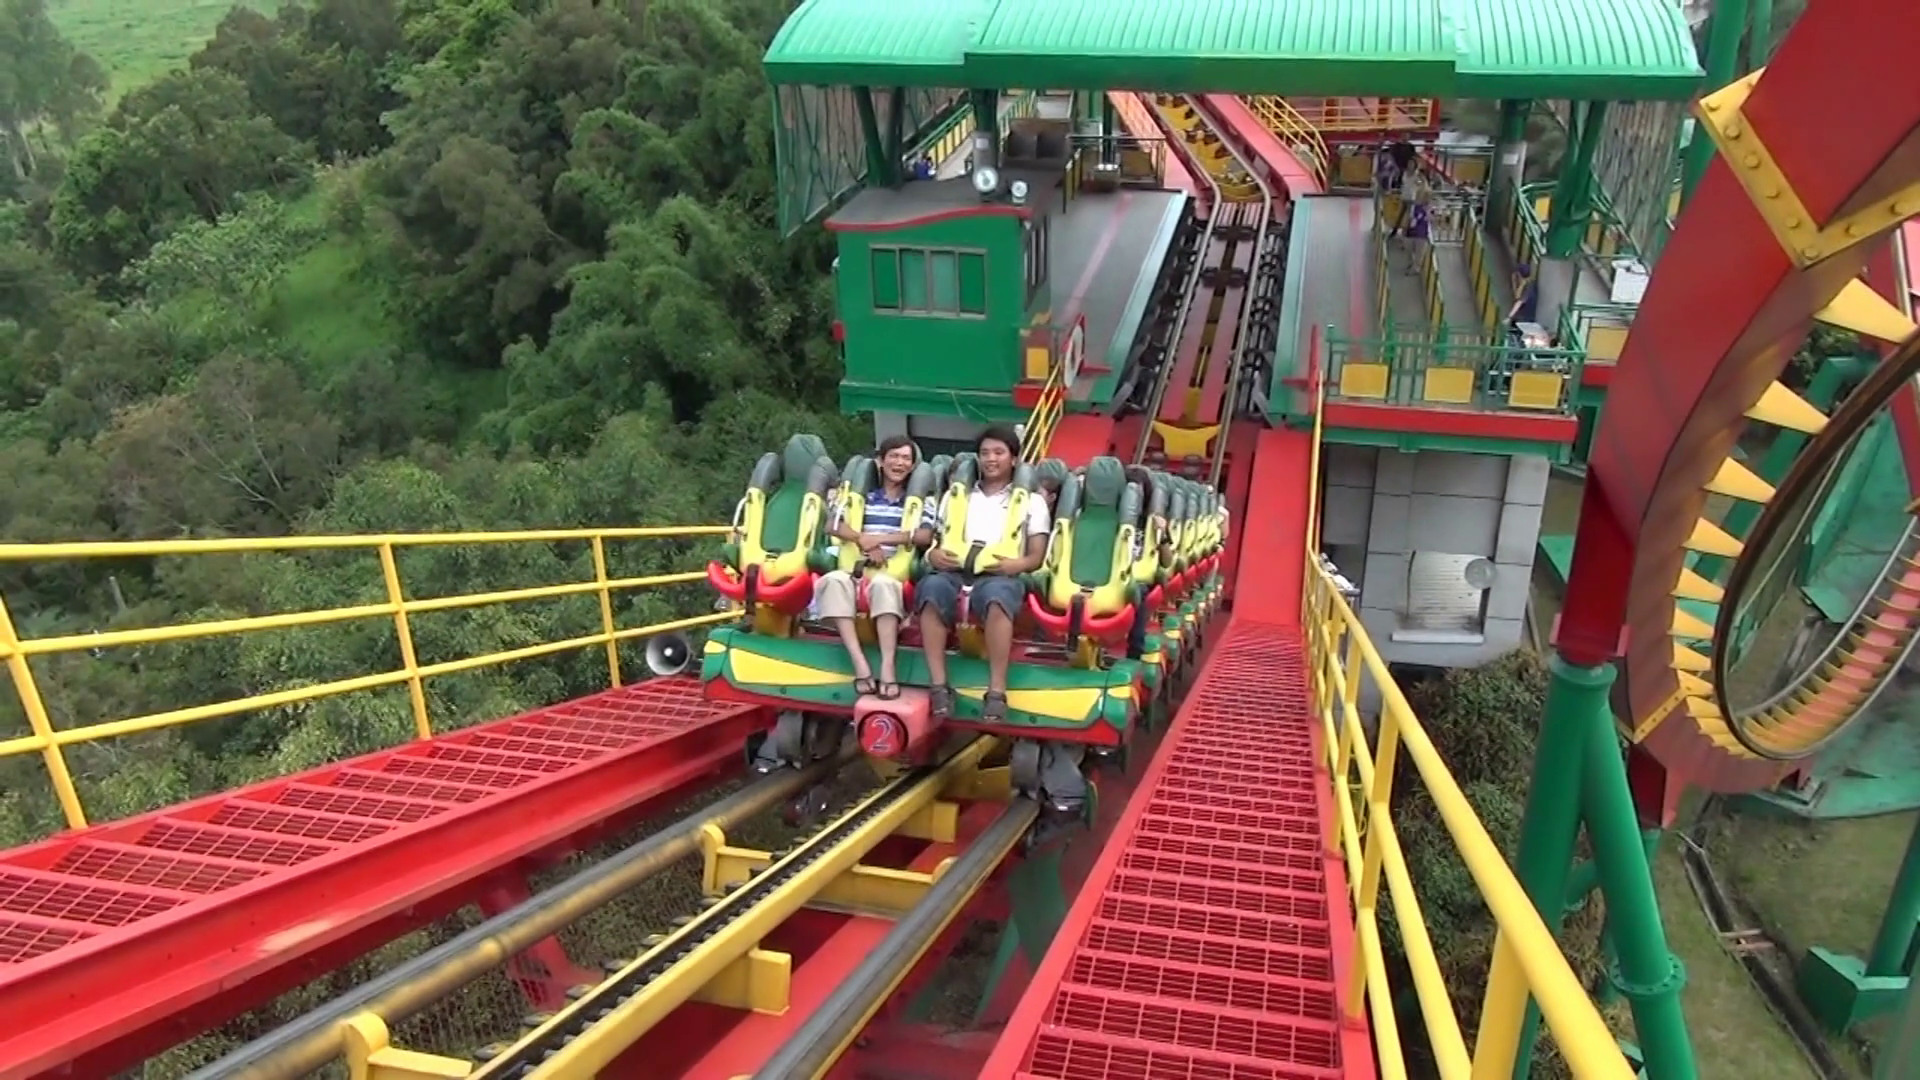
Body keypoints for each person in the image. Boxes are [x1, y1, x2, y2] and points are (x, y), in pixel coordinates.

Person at [914, 425, 1051, 722]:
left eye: (999, 453)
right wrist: (932, 555)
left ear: (1014, 459)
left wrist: (1016, 565)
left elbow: (1036, 556)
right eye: (985, 453)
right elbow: (937, 541)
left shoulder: (1033, 502)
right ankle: (939, 686)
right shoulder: (955, 497)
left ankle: (997, 690)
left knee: (997, 596)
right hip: (953, 570)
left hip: (1001, 574)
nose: (991, 459)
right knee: (930, 589)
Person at [816, 435, 918, 698]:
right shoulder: (862, 498)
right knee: (833, 581)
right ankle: (859, 662)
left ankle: (887, 665)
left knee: (884, 585)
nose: (899, 463)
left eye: (906, 458)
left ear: (912, 466)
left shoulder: (918, 503)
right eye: (893, 456)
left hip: (893, 571)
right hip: (857, 566)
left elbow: (924, 535)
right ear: (881, 462)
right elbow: (833, 525)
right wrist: (862, 539)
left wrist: (881, 539)